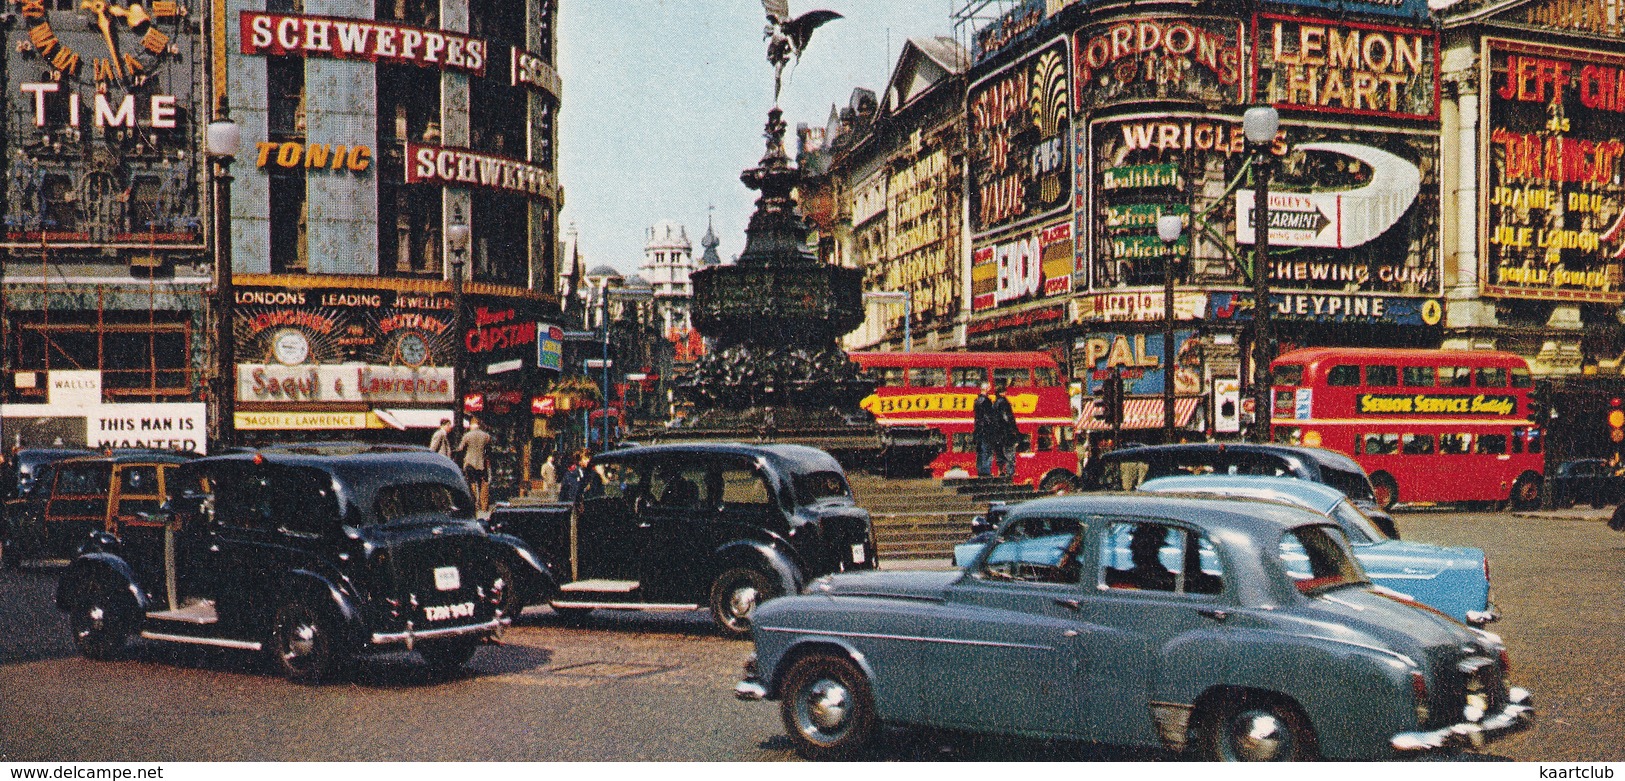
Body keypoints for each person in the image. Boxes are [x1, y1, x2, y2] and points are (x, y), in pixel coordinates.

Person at [1105, 525, 1177, 591]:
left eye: (1138, 545)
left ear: (1150, 548)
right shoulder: (1135, 574)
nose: (1131, 548)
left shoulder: (1161, 580)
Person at [972, 383, 1016, 478]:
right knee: (987, 451)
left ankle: (981, 470)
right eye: (988, 387)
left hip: (979, 429)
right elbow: (989, 416)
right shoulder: (986, 401)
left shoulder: (977, 400)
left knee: (981, 451)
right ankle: (986, 471)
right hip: (986, 429)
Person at [456, 417, 493, 513]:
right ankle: (484, 506)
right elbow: (489, 450)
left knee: (472, 483)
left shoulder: (467, 436)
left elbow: (460, 449)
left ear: (471, 425)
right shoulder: (486, 436)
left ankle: (475, 505)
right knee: (484, 484)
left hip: (469, 463)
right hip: (482, 463)